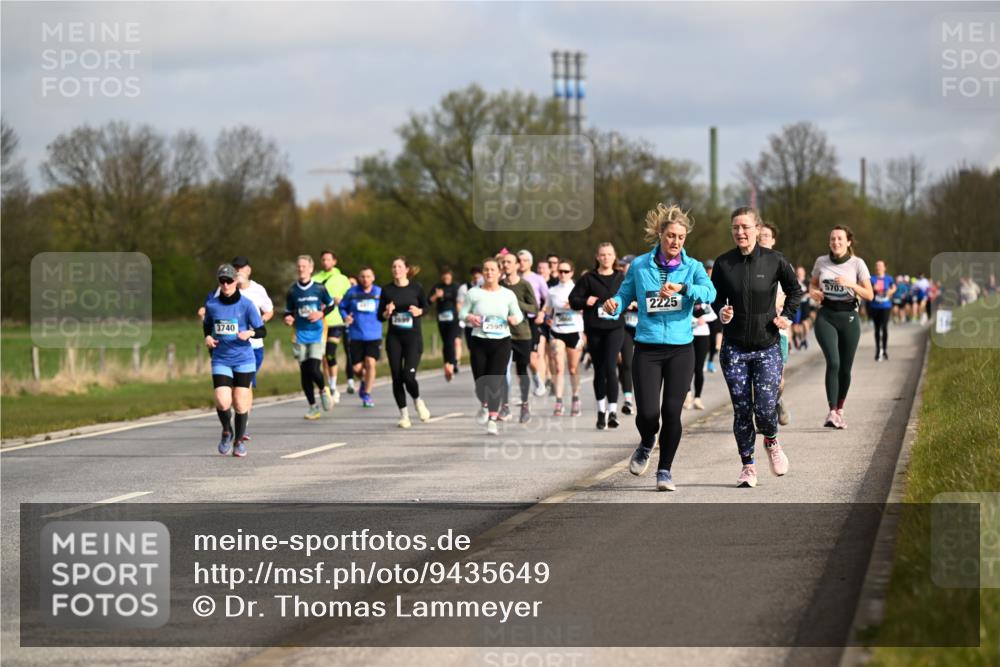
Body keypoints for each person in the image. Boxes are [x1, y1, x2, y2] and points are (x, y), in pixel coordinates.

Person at [604, 203, 716, 491]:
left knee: (671, 412)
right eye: (671, 236)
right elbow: (624, 294)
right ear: (660, 235)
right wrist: (614, 304)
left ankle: (664, 470)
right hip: (647, 348)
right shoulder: (640, 265)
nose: (675, 242)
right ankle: (646, 441)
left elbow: (711, 292)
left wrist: (684, 288)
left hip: (681, 349)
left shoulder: (693, 267)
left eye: (681, 237)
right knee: (648, 414)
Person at [711, 206, 801, 489]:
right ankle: (748, 466)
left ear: (757, 229)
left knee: (764, 408)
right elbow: (715, 298)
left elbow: (795, 291)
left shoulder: (775, 260)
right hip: (734, 349)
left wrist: (787, 316)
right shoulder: (724, 263)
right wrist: (721, 311)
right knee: (741, 410)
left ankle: (771, 441)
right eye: (735, 227)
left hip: (767, 346)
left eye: (745, 227)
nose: (740, 232)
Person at [809, 225, 874, 430]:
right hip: (826, 316)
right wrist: (813, 292)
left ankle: (840, 409)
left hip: (849, 318)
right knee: (834, 362)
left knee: (845, 367)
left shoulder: (857, 263)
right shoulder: (821, 261)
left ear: (848, 242)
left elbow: (869, 294)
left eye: (839, 239)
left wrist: (851, 285)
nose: (835, 242)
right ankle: (831, 411)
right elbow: (812, 285)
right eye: (832, 239)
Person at [204, 264, 267, 456]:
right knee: (223, 401)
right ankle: (226, 431)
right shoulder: (212, 305)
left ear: (236, 281)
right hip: (221, 359)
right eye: (222, 281)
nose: (225, 285)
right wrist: (208, 337)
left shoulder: (247, 304)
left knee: (240, 403)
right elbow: (207, 326)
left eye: (229, 281)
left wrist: (250, 333)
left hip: (243, 359)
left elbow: (262, 330)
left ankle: (239, 441)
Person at [459, 257, 524, 435]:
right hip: (479, 341)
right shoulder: (473, 293)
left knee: (495, 381)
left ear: (499, 273)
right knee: (481, 383)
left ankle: (492, 420)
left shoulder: (507, 294)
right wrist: (470, 317)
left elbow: (518, 315)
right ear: (482, 272)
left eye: (493, 269)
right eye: (486, 269)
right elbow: (462, 313)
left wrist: (514, 319)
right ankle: (484, 404)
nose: (489, 273)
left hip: (502, 342)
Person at [570, 242, 626, 430]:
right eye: (602, 255)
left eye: (609, 254)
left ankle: (613, 412)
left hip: (615, 328)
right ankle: (601, 412)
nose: (606, 258)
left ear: (614, 256)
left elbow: (632, 296)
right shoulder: (588, 278)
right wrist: (586, 300)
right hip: (594, 329)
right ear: (597, 257)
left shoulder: (621, 277)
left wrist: (628, 303)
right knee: (600, 370)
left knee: (611, 367)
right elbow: (573, 300)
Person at [379, 257, 431, 428]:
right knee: (396, 377)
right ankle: (404, 415)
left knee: (408, 376)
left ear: (407, 269)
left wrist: (419, 311)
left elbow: (426, 307)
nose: (396, 269)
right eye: (394, 267)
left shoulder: (416, 288)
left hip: (413, 338)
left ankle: (417, 400)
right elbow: (380, 316)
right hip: (394, 338)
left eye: (399, 266)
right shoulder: (387, 290)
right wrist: (387, 312)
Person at [283, 255, 336, 419]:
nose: (301, 269)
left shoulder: (319, 288)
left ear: (311, 269)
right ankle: (313, 407)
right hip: (299, 335)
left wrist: (321, 313)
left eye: (304, 266)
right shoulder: (292, 290)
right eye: (299, 266)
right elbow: (288, 311)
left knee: (313, 368)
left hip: (317, 333)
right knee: (305, 372)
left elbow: (331, 305)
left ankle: (323, 390)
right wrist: (288, 318)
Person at [757, 222, 792, 425]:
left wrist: (779, 304)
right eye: (759, 235)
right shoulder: (747, 264)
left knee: (777, 380)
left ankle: (776, 401)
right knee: (755, 379)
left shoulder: (781, 264)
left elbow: (794, 293)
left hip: (778, 331)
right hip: (754, 330)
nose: (761, 238)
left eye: (766, 235)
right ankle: (762, 417)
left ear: (773, 240)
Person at [500, 252, 539, 423]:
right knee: (503, 370)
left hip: (522, 334)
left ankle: (525, 405)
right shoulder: (499, 285)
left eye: (509, 262)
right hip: (502, 333)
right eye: (504, 262)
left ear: (517, 265)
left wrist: (516, 302)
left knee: (521, 371)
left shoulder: (524, 285)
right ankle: (505, 406)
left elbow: (534, 308)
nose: (506, 265)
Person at [340, 266, 383, 408]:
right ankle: (365, 380)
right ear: (359, 278)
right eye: (363, 276)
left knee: (370, 363)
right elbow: (342, 306)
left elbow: (386, 308)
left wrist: (388, 312)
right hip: (356, 334)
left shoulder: (379, 292)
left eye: (368, 276)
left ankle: (367, 394)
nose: (365, 279)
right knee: (357, 368)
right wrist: (345, 317)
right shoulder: (352, 292)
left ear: (373, 278)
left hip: (373, 335)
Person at [313, 250, 352, 403]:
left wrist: (341, 301)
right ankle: (327, 387)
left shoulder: (342, 279)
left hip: (336, 321)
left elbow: (350, 299)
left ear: (334, 261)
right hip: (320, 322)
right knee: (322, 357)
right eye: (323, 259)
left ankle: (334, 387)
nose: (325, 262)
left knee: (330, 353)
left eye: (328, 259)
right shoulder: (315, 279)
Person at [547, 259, 584, 417]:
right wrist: (546, 317)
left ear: (572, 273)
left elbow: (585, 306)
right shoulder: (552, 291)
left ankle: (575, 398)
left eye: (566, 271)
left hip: (574, 331)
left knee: (573, 368)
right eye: (560, 271)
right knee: (559, 367)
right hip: (557, 331)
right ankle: (559, 401)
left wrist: (575, 306)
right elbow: (548, 308)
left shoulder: (578, 289)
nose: (562, 274)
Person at [516, 250, 551, 400]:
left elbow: (548, 298)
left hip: (531, 320)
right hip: (515, 321)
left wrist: (542, 313)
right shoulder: (511, 278)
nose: (522, 263)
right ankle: (523, 394)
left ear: (530, 262)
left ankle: (538, 381)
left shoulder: (537, 279)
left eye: (525, 260)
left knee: (531, 357)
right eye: (520, 260)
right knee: (519, 360)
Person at [429, 267, 461, 382]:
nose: (446, 278)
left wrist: (445, 295)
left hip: (454, 319)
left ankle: (452, 364)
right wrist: (436, 296)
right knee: (445, 343)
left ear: (451, 276)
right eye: (444, 276)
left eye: (448, 276)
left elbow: (459, 298)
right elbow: (428, 301)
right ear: (442, 277)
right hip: (441, 319)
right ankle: (447, 363)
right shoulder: (437, 287)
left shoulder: (456, 287)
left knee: (450, 342)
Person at [686, 299, 716, 411]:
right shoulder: (686, 299)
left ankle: (697, 398)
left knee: (699, 368)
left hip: (703, 336)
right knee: (687, 368)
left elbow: (713, 316)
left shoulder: (704, 303)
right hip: (687, 336)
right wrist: (694, 321)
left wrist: (703, 318)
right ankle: (687, 396)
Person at [616, 254, 637, 415]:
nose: (622, 268)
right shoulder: (619, 281)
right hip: (625, 326)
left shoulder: (642, 278)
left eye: (625, 265)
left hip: (643, 326)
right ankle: (628, 399)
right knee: (626, 363)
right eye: (622, 265)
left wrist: (637, 303)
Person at [869, 260, 896, 361]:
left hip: (885, 306)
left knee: (884, 327)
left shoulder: (889, 278)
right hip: (875, 306)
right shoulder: (872, 278)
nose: (878, 267)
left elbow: (894, 287)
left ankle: (884, 350)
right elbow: (867, 289)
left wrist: (890, 291)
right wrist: (873, 288)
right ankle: (877, 350)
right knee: (876, 329)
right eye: (877, 266)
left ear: (884, 268)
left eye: (880, 266)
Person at [457, 266, 484, 352]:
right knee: (472, 348)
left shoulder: (486, 287)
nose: (477, 279)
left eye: (479, 277)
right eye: (475, 277)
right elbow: (459, 304)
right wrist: (465, 317)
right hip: (470, 323)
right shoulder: (464, 288)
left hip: (483, 323)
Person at [791, 266, 813, 350]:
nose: (799, 273)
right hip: (797, 305)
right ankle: (800, 339)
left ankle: (804, 338)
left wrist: (807, 294)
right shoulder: (795, 281)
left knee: (805, 322)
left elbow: (811, 292)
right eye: (798, 272)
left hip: (805, 304)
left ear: (804, 273)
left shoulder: (807, 282)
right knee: (798, 324)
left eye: (801, 272)